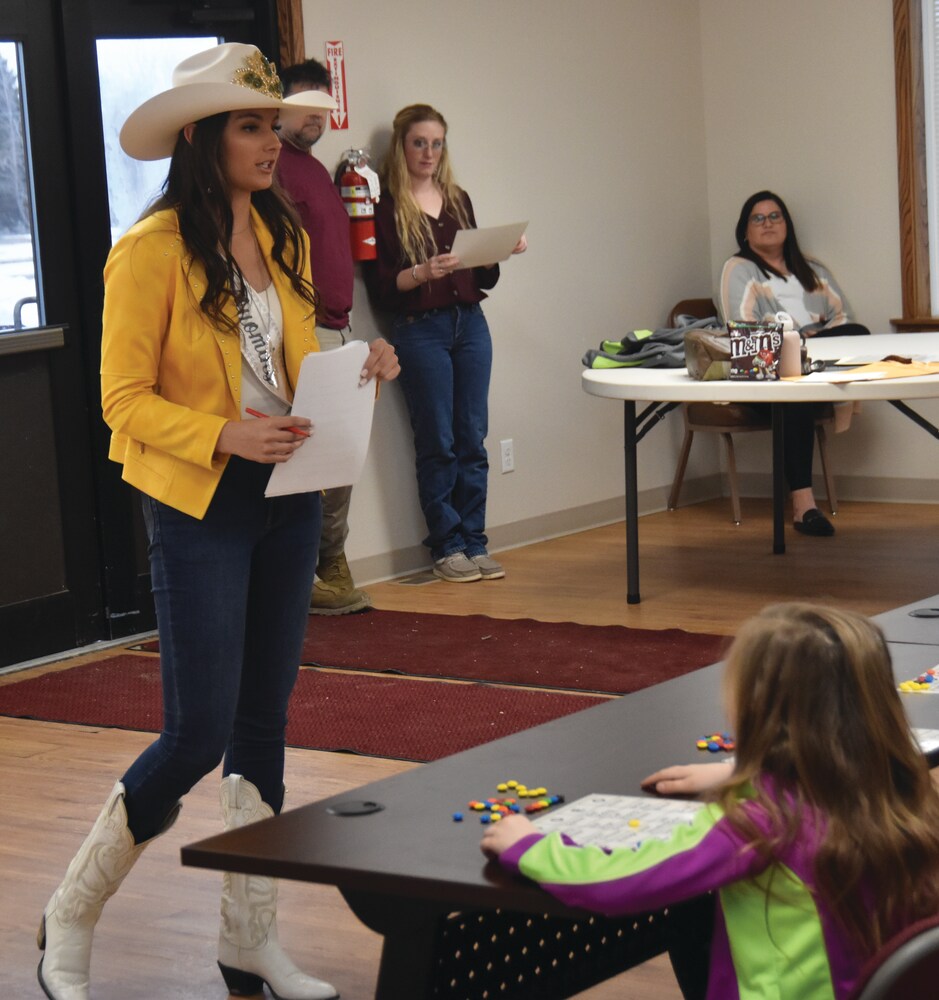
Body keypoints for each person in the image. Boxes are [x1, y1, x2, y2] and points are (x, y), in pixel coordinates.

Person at [37, 43, 399, 1000]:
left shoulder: (276, 233)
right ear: (199, 139)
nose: (270, 142)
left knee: (262, 724)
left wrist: (352, 360)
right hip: (198, 501)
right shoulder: (146, 252)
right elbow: (120, 400)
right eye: (250, 126)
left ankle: (248, 938)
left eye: (270, 125)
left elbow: (281, 357)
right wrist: (222, 434)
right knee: (196, 733)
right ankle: (68, 915)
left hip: (285, 497)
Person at [481, 603, 939, 1000]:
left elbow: (628, 879)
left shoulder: (761, 823)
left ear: (759, 709)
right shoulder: (905, 793)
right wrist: (743, 770)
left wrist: (530, 844)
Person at [368, 104, 526, 583]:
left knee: (471, 437)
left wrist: (500, 250)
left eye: (437, 143)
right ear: (402, 146)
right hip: (422, 329)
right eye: (420, 142)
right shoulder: (386, 205)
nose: (429, 152)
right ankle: (448, 545)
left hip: (470, 324)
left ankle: (475, 541)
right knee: (437, 441)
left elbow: (483, 276)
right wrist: (421, 273)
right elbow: (380, 286)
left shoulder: (457, 198)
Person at [718, 190, 870, 537]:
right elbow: (745, 330)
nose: (768, 223)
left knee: (859, 331)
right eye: (758, 218)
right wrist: (799, 340)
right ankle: (804, 507)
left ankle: (804, 362)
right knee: (794, 391)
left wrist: (806, 341)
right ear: (745, 231)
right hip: (763, 376)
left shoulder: (811, 269)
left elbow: (843, 318)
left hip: (816, 367)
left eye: (776, 216)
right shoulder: (738, 269)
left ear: (787, 225)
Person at [277, 57, 370, 616]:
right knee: (317, 460)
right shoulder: (277, 169)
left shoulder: (317, 169)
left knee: (340, 457)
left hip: (340, 327)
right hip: (305, 333)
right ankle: (313, 576)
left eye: (323, 105)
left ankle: (329, 569)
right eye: (304, 103)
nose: (316, 115)